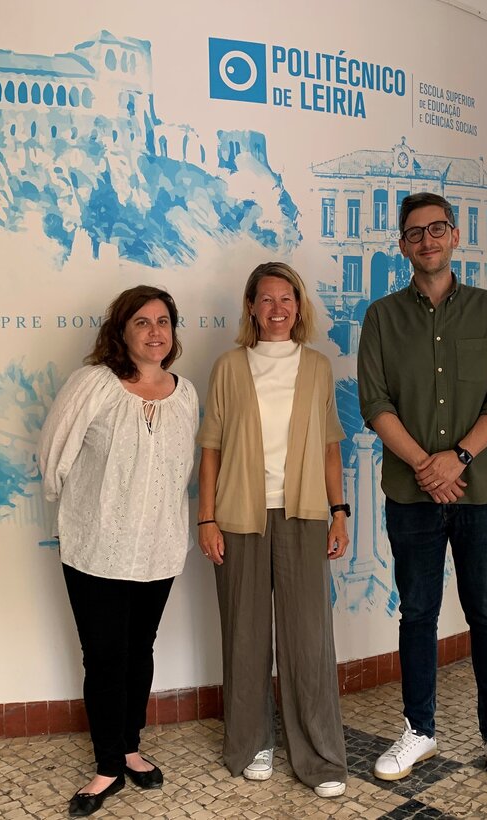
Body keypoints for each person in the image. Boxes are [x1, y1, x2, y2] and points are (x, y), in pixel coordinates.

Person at [357, 192, 487, 796]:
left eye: (437, 229)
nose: (426, 240)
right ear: (402, 246)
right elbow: (374, 403)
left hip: (480, 489)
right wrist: (424, 467)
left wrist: (454, 458)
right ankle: (419, 729)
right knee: (419, 614)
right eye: (414, 233)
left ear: (455, 236)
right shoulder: (381, 318)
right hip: (411, 495)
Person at [38, 285, 198, 817]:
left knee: (140, 651)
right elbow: (53, 452)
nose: (155, 332)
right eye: (141, 323)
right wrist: (85, 515)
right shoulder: (94, 384)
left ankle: (130, 746)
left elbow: (179, 474)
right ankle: (107, 765)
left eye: (163, 322)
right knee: (104, 657)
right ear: (121, 332)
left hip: (158, 549)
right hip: (97, 549)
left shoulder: (186, 393)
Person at [196, 261, 351, 799]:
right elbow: (211, 447)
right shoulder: (229, 367)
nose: (278, 309)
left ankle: (320, 756)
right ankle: (252, 742)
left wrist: (340, 510)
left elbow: (331, 446)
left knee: (309, 640)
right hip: (238, 518)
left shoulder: (317, 368)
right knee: (245, 634)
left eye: (287, 299)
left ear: (299, 307)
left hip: (305, 515)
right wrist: (207, 517)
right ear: (251, 307)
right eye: (267, 299)